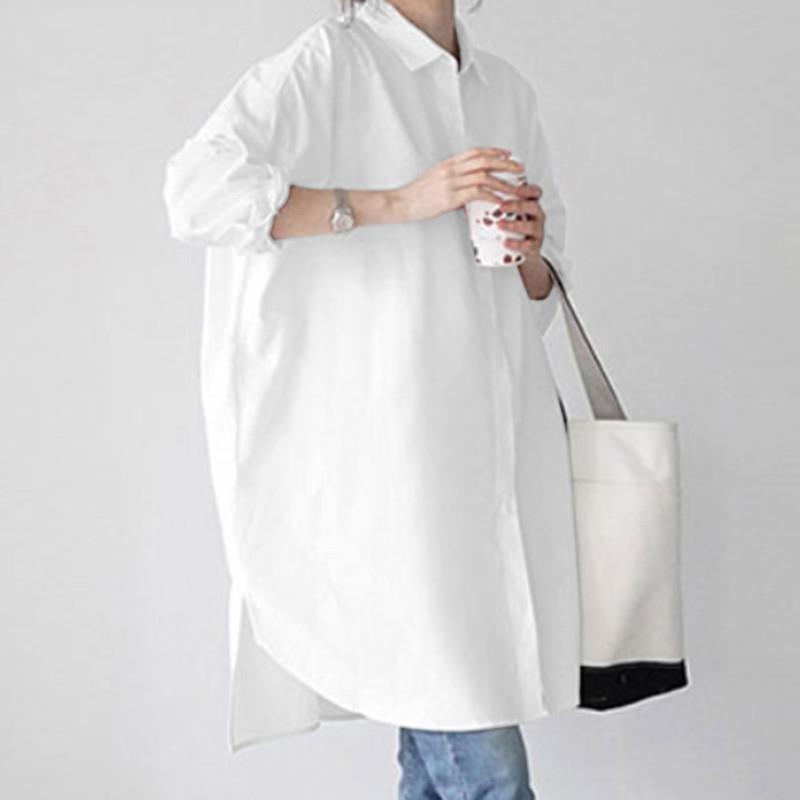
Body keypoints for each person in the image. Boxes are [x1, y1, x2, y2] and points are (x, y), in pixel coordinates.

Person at [163, 0, 580, 796]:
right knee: (476, 740)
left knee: (439, 727)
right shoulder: (328, 64)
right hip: (395, 462)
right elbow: (197, 191)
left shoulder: (503, 89)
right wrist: (399, 201)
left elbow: (541, 292)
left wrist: (530, 248)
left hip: (491, 458)